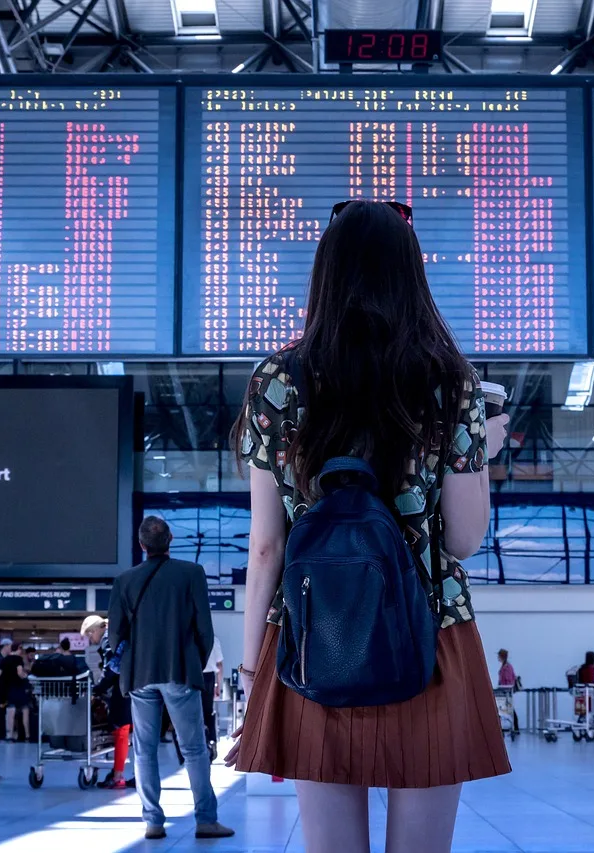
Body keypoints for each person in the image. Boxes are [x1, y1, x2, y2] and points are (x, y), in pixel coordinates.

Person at [226, 200, 512, 853]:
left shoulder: (277, 379)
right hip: (431, 635)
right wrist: (477, 456)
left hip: (312, 636)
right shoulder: (450, 382)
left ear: (325, 274)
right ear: (410, 275)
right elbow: (464, 540)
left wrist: (251, 669)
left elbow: (267, 544)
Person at [108, 516, 232, 841]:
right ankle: (206, 820)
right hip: (180, 670)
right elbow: (205, 629)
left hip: (139, 676)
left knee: (145, 750)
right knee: (193, 749)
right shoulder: (191, 573)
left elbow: (114, 635)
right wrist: (195, 662)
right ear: (171, 539)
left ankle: (153, 822)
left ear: (141, 544)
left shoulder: (125, 580)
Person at [81, 615, 131, 790]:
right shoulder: (118, 634)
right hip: (133, 686)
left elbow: (111, 667)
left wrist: (97, 688)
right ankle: (123, 772)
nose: (90, 640)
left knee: (121, 731)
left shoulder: (108, 639)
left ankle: (118, 776)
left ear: (95, 630)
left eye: (89, 635)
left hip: (122, 689)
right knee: (129, 733)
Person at [0, 643, 32, 742]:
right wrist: (26, 676)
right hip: (19, 688)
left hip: (9, 688)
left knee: (10, 711)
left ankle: (9, 735)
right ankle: (27, 735)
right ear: (19, 649)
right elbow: (19, 672)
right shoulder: (18, 659)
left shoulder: (5, 659)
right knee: (25, 710)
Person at [202, 636, 224, 761]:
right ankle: (211, 741)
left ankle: (200, 744)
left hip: (193, 677)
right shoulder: (213, 639)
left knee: (194, 713)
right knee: (208, 712)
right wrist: (218, 685)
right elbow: (219, 664)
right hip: (209, 679)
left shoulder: (188, 636)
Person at [497, 649, 519, 734]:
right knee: (506, 708)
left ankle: (515, 727)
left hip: (506, 691)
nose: (497, 657)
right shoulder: (504, 666)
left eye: (499, 656)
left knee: (508, 708)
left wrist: (503, 688)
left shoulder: (507, 667)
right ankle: (513, 727)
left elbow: (509, 681)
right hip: (503, 691)